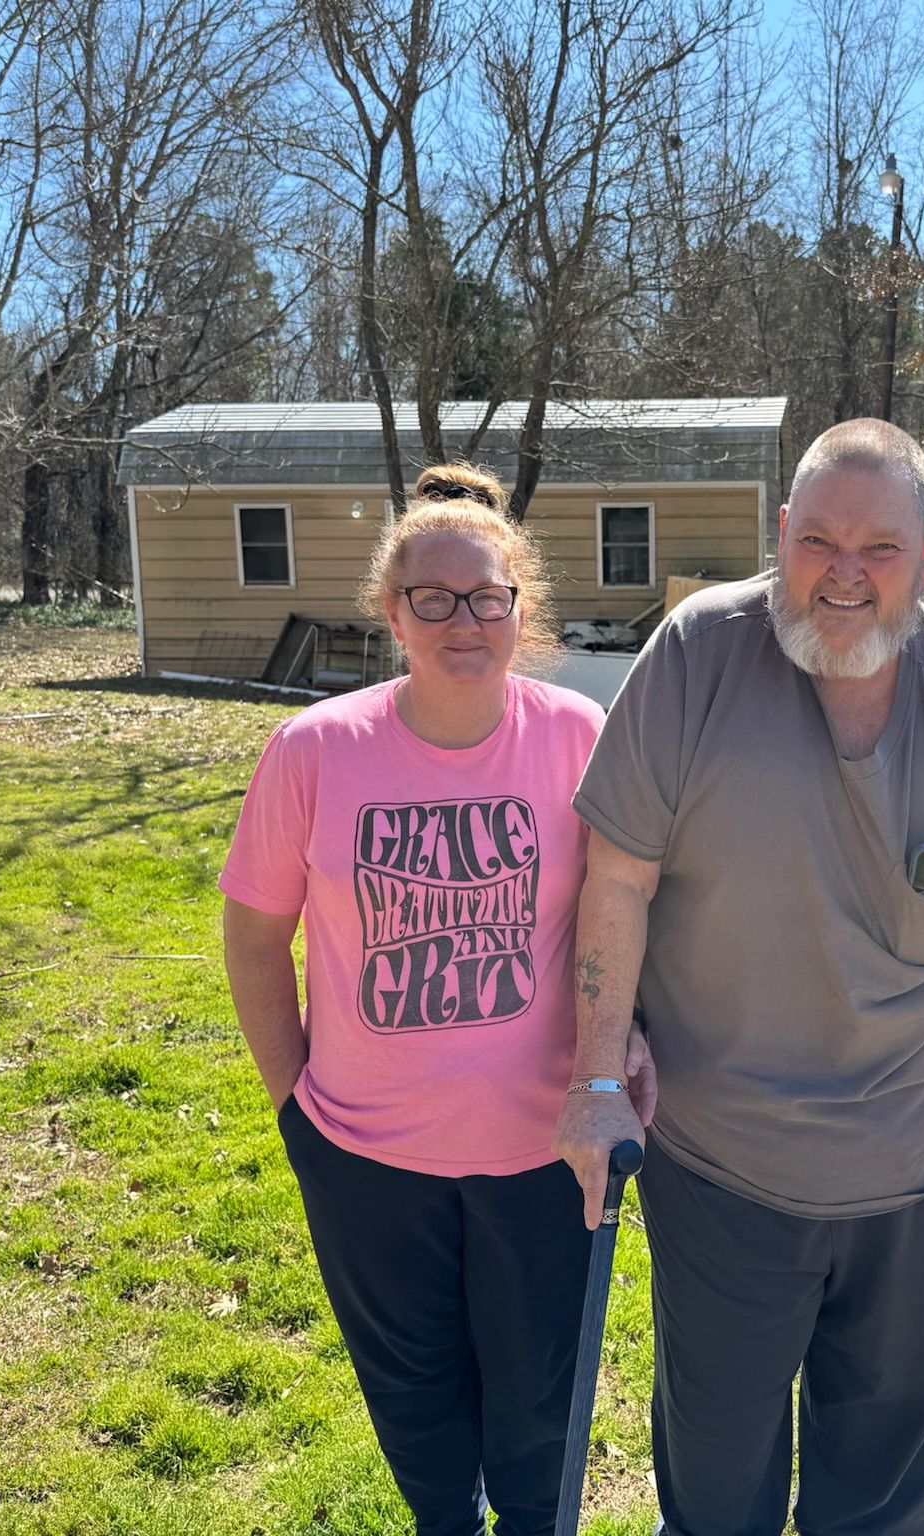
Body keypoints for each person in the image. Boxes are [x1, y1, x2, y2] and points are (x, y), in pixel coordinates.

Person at [554, 419, 924, 1536]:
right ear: (780, 536)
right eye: (816, 542)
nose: (843, 577)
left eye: (881, 549)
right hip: (725, 1169)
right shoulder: (696, 655)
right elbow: (613, 878)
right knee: (716, 1497)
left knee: (877, 1499)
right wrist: (594, 1079)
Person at [221, 463, 652, 1536]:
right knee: (414, 1405)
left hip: (543, 1155)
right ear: (391, 612)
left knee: (538, 1411)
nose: (464, 620)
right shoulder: (314, 751)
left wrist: (620, 1039)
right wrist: (297, 1109)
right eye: (434, 598)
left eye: (487, 596)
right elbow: (252, 938)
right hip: (364, 1157)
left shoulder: (573, 739)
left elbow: (620, 911)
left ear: (519, 607)